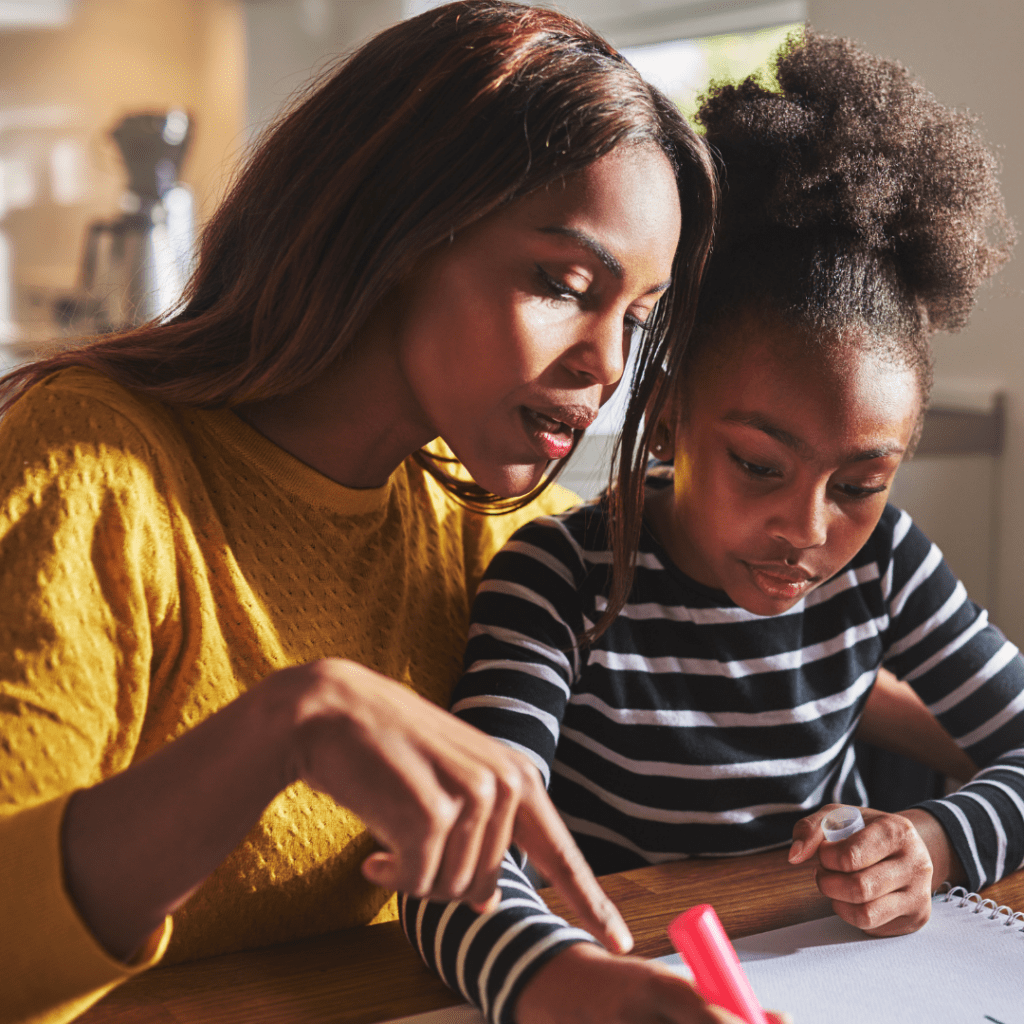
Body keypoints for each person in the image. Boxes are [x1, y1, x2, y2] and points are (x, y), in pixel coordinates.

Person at [0, 4, 721, 1022]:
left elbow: (724, 607)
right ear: (394, 233)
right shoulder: (92, 466)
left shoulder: (485, 526)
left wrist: (928, 808)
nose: (606, 365)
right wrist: (283, 727)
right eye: (563, 284)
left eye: (636, 322)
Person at [403, 27, 1021, 1024]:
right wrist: (565, 981)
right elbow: (456, 872)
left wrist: (938, 843)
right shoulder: (559, 577)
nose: (806, 531)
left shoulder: (888, 566)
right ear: (678, 402)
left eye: (860, 482)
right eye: (758, 465)